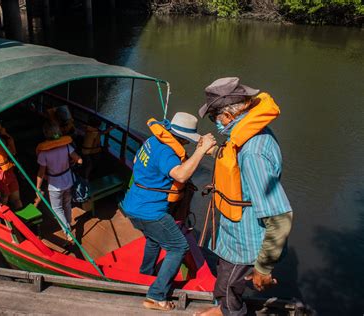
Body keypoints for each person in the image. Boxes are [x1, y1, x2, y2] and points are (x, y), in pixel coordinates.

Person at [195, 77, 293, 316]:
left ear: (228, 116)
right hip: (234, 234)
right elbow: (236, 164)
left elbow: (280, 218)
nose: (215, 123)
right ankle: (224, 309)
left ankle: (230, 312)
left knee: (227, 288)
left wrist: (263, 267)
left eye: (214, 117)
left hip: (246, 241)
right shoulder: (247, 134)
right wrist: (214, 151)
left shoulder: (254, 153)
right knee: (226, 281)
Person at [120, 112, 217, 311]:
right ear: (182, 137)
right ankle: (156, 296)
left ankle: (145, 275)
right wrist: (201, 151)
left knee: (154, 240)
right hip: (150, 211)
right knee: (178, 247)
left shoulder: (154, 140)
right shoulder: (167, 151)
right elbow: (180, 175)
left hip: (133, 203)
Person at [35, 121, 82, 242]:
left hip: (54, 185)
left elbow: (41, 173)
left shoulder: (44, 152)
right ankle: (69, 224)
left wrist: (38, 187)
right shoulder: (66, 146)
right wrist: (72, 162)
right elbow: (79, 160)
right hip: (68, 180)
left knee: (57, 209)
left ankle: (67, 232)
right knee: (67, 204)